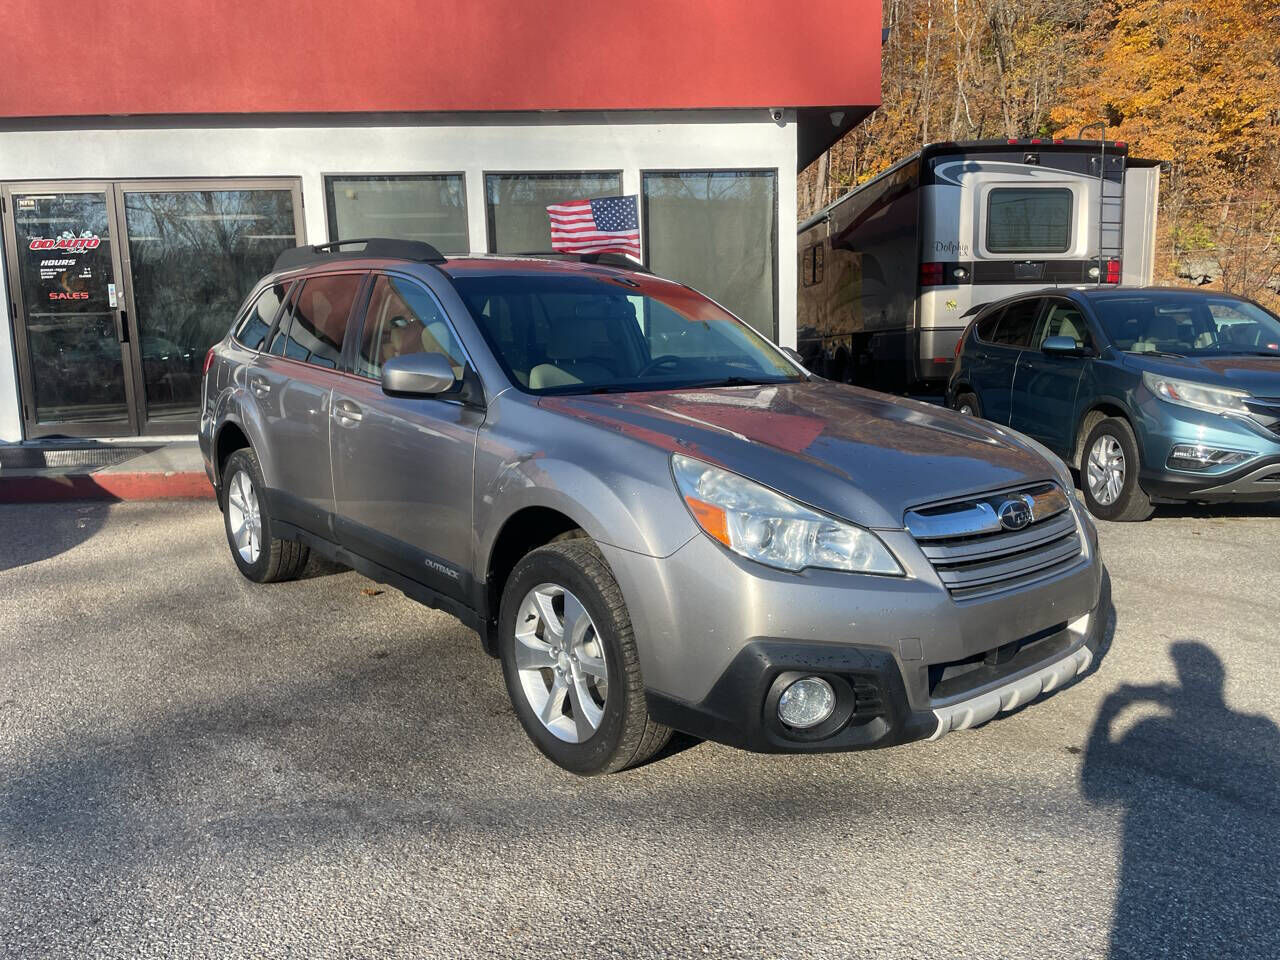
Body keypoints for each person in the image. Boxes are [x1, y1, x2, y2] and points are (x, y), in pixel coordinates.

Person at [1082, 641, 1280, 959]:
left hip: (1148, 887)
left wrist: (1109, 708)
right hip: (1253, 906)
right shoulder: (1264, 730)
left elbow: (1094, 790)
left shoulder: (1149, 727)